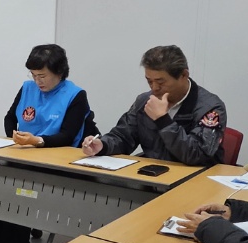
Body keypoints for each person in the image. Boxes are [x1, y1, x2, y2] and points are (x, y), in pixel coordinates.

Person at [0, 44, 100, 243]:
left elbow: (68, 135)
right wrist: (13, 136)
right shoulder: (27, 88)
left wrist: (38, 141)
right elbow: (9, 118)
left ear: (59, 72)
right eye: (33, 75)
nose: (37, 81)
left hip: (57, 160)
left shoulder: (75, 95)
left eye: (42, 76)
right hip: (24, 154)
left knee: (21, 189)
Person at [81, 44, 226, 166]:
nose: (154, 88)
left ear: (184, 75)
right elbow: (123, 136)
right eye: (149, 81)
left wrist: (163, 120)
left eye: (161, 82)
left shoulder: (210, 108)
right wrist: (102, 145)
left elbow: (197, 155)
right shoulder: (145, 101)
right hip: (154, 175)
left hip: (195, 179)